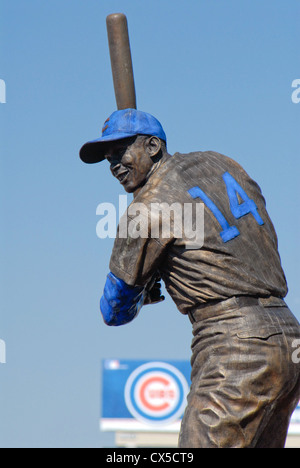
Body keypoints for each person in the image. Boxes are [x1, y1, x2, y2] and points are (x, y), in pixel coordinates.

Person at [80, 108, 300, 448]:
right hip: (288, 335)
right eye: (109, 159)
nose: (114, 166)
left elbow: (114, 311)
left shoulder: (146, 207)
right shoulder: (222, 164)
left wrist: (143, 290)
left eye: (121, 152)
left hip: (233, 343)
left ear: (153, 146)